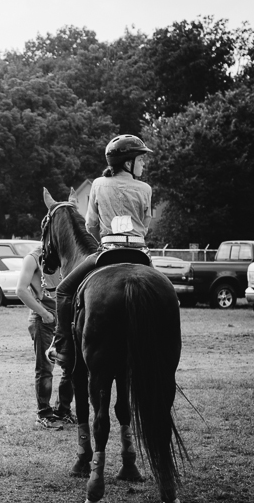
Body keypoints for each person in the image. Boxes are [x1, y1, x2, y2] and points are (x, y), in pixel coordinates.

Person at [46, 134, 154, 366]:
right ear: (128, 163)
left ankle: (62, 346)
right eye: (141, 159)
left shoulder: (97, 184)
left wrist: (102, 240)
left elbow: (91, 225)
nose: (144, 164)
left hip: (107, 251)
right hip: (140, 253)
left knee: (64, 291)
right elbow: (145, 226)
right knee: (170, 299)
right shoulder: (145, 188)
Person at [16, 244, 74, 429]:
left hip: (65, 318)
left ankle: (63, 411)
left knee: (71, 366)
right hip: (44, 320)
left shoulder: (64, 255)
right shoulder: (32, 258)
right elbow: (21, 290)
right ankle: (44, 414)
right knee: (45, 368)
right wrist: (44, 313)